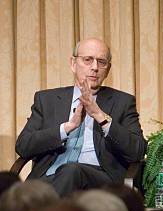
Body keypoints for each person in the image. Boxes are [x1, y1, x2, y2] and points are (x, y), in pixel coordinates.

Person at [15, 38, 146, 197]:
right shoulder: (47, 100)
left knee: (72, 170)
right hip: (49, 177)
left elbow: (137, 151)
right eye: (88, 60)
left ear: (108, 69)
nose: (95, 67)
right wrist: (67, 127)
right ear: (73, 63)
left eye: (101, 62)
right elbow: (23, 146)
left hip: (99, 179)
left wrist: (101, 117)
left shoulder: (122, 102)